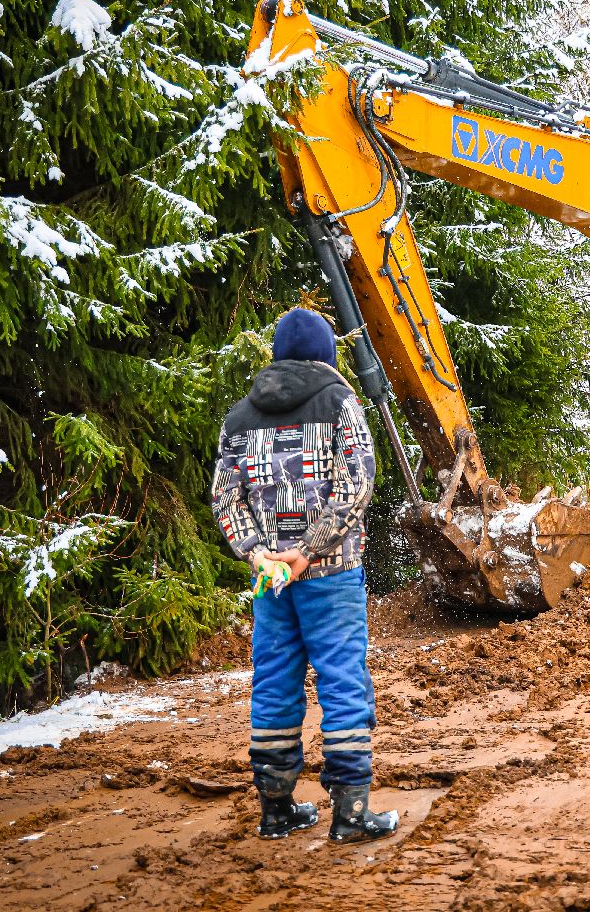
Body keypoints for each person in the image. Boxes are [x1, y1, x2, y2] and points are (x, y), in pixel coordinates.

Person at [210, 308, 400, 843]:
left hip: (272, 581)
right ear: (326, 355)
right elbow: (358, 484)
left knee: (274, 684)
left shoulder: (239, 417)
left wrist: (258, 555)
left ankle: (274, 811)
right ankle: (351, 814)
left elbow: (226, 497)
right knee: (342, 682)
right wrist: (309, 550)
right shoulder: (340, 403)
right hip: (331, 573)